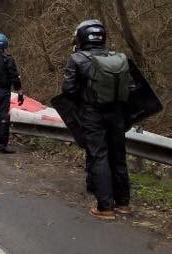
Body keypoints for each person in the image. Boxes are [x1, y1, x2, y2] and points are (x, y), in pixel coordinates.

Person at [62, 20, 131, 220]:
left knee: (99, 155)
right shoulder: (117, 58)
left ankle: (105, 207)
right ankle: (123, 204)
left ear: (82, 37)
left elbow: (68, 90)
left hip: (93, 114)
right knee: (118, 156)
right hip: (117, 114)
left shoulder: (77, 59)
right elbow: (131, 87)